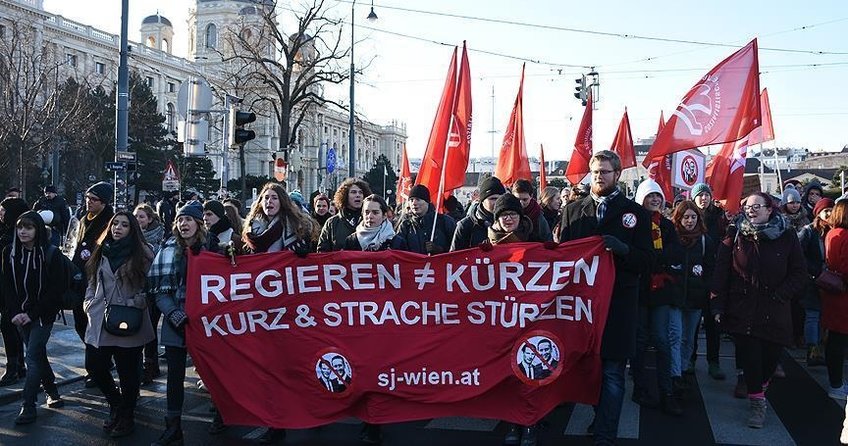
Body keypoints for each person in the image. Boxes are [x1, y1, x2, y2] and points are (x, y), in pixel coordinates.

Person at [558, 150, 653, 446]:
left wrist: (624, 251)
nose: (599, 176)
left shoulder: (636, 214)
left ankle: (605, 434)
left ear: (618, 174)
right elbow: (562, 258)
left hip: (618, 304)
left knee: (613, 372)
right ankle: (601, 417)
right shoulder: (573, 210)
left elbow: (648, 262)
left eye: (605, 171)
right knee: (588, 369)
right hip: (582, 306)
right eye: (596, 171)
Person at [711, 192, 807, 429]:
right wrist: (717, 303)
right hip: (743, 308)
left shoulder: (787, 236)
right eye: (747, 206)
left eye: (756, 206)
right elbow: (721, 271)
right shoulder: (734, 234)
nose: (750, 210)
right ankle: (757, 403)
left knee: (770, 359)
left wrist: (781, 294)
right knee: (751, 356)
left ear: (769, 209)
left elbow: (799, 273)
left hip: (775, 309)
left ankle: (760, 387)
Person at [148, 201, 219, 445]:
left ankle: (222, 413)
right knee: (175, 376)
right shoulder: (167, 248)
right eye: (180, 220)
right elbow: (159, 290)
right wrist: (174, 314)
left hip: (208, 323)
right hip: (177, 322)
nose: (183, 223)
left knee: (215, 372)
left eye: (188, 219)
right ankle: (173, 426)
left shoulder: (214, 248)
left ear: (199, 223)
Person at [83, 211, 154, 437]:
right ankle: (116, 404)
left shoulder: (143, 254)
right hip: (100, 317)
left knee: (128, 374)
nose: (118, 228)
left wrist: (137, 303)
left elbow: (150, 286)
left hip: (128, 318)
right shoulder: (102, 250)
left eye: (124, 225)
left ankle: (127, 416)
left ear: (132, 229)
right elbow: (92, 280)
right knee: (94, 366)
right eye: (115, 224)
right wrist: (89, 303)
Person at [1, 211, 65, 424]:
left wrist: (31, 314)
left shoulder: (51, 253)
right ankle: (53, 392)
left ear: (37, 230)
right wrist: (15, 312)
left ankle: (28, 406)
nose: (23, 232)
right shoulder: (9, 252)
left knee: (32, 357)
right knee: (37, 355)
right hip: (19, 315)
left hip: (42, 316)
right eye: (20, 227)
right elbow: (7, 286)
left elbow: (54, 291)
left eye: (28, 228)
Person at [630, 179, 685, 416]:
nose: (654, 200)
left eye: (658, 197)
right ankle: (640, 387)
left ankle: (667, 391)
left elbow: (675, 252)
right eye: (650, 196)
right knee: (641, 339)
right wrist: (657, 258)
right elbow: (635, 255)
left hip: (661, 291)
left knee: (662, 340)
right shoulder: (633, 224)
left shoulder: (668, 226)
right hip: (640, 289)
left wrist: (655, 258)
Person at [72, 181, 115, 388]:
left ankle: (97, 368)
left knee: (94, 326)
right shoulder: (83, 219)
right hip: (79, 279)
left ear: (104, 203)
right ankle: (99, 362)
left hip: (97, 281)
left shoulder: (109, 222)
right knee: (80, 324)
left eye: (94, 199)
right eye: (88, 198)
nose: (89, 202)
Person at [670, 201, 716, 379]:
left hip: (696, 298)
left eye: (693, 217)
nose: (689, 221)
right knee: (675, 335)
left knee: (689, 338)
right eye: (686, 217)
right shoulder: (672, 238)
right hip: (675, 296)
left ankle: (682, 366)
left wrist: (706, 289)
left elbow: (710, 269)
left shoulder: (705, 241)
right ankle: (674, 374)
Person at [690, 183, 727, 381]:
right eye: (700, 195)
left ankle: (714, 361)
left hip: (715, 274)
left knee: (714, 323)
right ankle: (690, 358)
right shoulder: (689, 216)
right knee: (693, 323)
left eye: (706, 195)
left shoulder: (719, 217)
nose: (703, 198)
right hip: (695, 276)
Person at [798, 198, 834, 367]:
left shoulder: (835, 231)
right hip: (813, 280)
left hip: (831, 281)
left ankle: (821, 346)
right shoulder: (809, 231)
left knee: (825, 316)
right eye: (826, 211)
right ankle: (812, 349)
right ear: (818, 213)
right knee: (812, 315)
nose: (829, 214)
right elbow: (798, 254)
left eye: (831, 210)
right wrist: (810, 272)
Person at [133, 203, 165, 386]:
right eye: (136, 216)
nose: (138, 220)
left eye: (142, 217)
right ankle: (145, 364)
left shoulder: (158, 238)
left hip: (154, 288)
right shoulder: (133, 236)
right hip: (137, 287)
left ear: (150, 219)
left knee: (150, 327)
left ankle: (150, 365)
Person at [0, 197, 29, 386]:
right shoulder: (4, 231)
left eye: (3, 211)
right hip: (3, 286)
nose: (1, 214)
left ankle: (15, 367)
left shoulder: (19, 234)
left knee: (9, 325)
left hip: (14, 288)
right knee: (9, 325)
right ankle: (18, 365)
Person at [242, 183, 316, 255]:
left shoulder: (296, 224)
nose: (269, 201)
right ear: (261, 202)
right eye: (266, 198)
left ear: (282, 201)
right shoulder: (250, 227)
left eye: (274, 198)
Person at [822, 199, 848, 401]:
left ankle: (836, 381)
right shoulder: (844, 236)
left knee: (835, 340)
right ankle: (836, 383)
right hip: (843, 294)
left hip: (833, 290)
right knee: (839, 342)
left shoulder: (832, 233)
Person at [394, 185, 455, 254]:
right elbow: (398, 250)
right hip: (415, 264)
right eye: (411, 200)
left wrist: (440, 250)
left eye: (418, 199)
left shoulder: (445, 221)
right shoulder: (406, 225)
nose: (414, 203)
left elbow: (457, 248)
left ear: (427, 202)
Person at [451, 176, 506, 251]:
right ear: (482, 200)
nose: (497, 202)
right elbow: (454, 258)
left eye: (501, 198)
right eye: (493, 199)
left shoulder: (511, 223)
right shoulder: (465, 226)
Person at [317, 178, 372, 252]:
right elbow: (322, 251)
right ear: (345, 195)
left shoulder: (370, 220)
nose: (358, 195)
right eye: (353, 192)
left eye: (361, 192)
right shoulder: (332, 223)